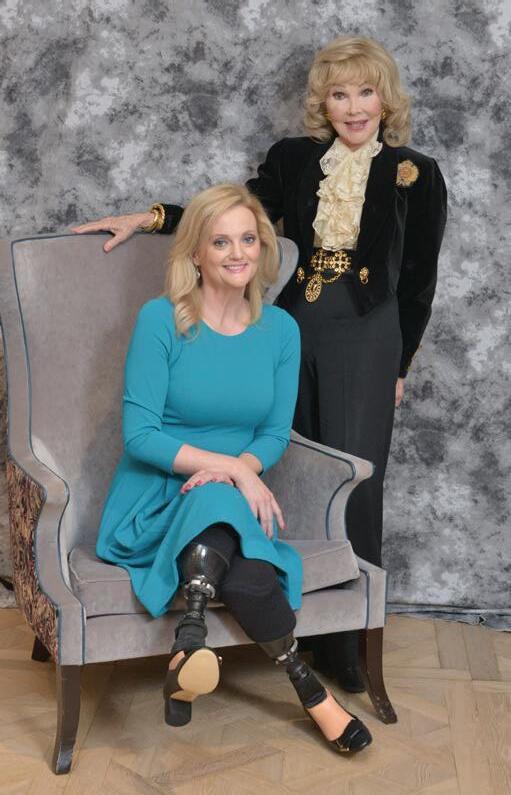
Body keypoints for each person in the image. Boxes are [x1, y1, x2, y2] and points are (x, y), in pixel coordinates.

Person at [74, 36, 447, 692]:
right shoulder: (294, 159)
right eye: (339, 94)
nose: (353, 107)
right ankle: (284, 615)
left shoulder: (415, 172)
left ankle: (348, 645)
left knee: (356, 483)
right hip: (295, 325)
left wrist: (400, 365)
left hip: (367, 338)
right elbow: (232, 219)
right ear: (323, 103)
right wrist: (152, 216)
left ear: (385, 99)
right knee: (286, 466)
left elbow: (419, 280)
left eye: (365, 92)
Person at [95, 183, 373, 753]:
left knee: (231, 533)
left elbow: (273, 433)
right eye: (220, 242)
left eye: (248, 239)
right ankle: (311, 691)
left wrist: (237, 470)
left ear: (262, 247)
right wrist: (237, 472)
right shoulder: (160, 319)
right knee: (218, 498)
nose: (237, 253)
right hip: (156, 496)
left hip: (229, 499)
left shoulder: (281, 330)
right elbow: (140, 435)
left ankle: (190, 640)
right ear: (196, 253)